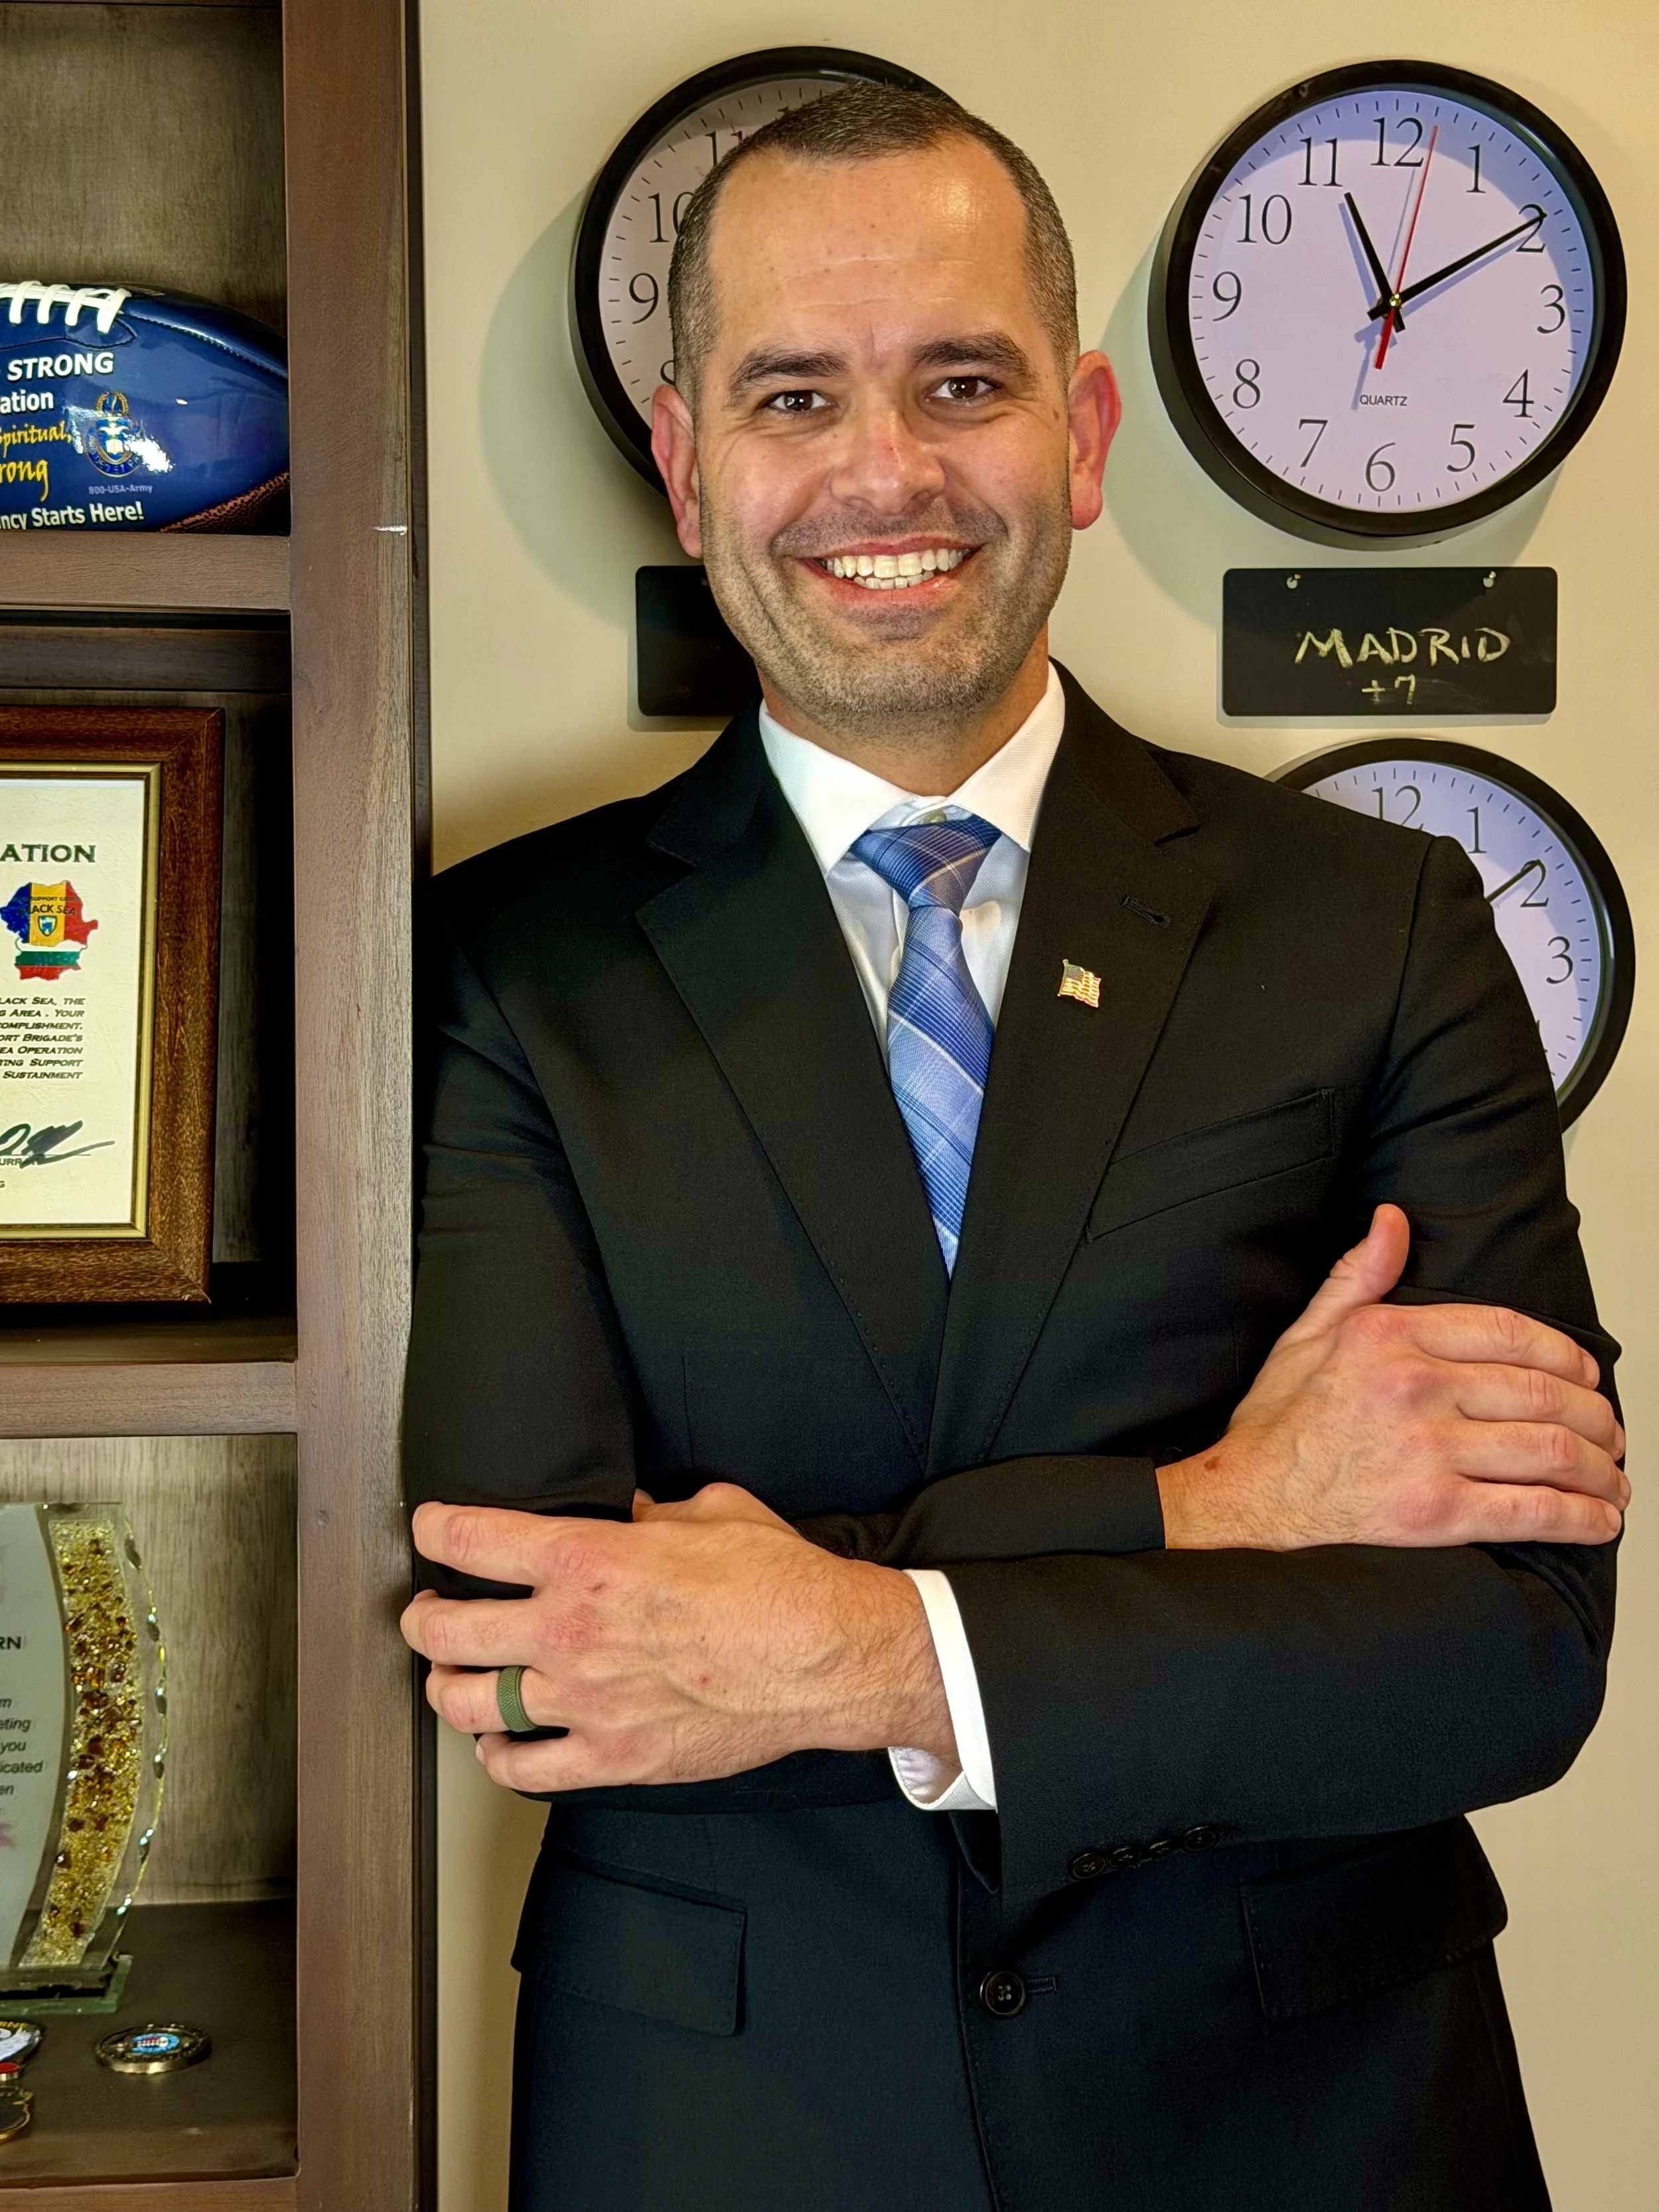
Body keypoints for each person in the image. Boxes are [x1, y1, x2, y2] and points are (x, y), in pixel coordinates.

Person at [399, 86, 1626, 2212]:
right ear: (688, 462)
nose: (883, 471)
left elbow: (1506, 1652)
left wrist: (848, 1642)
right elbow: (535, 1648)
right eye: (794, 394)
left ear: (1078, 431)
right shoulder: (502, 962)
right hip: (736, 2128)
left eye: (958, 383)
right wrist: (1215, 1508)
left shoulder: (1379, 920)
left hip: (1307, 2120)